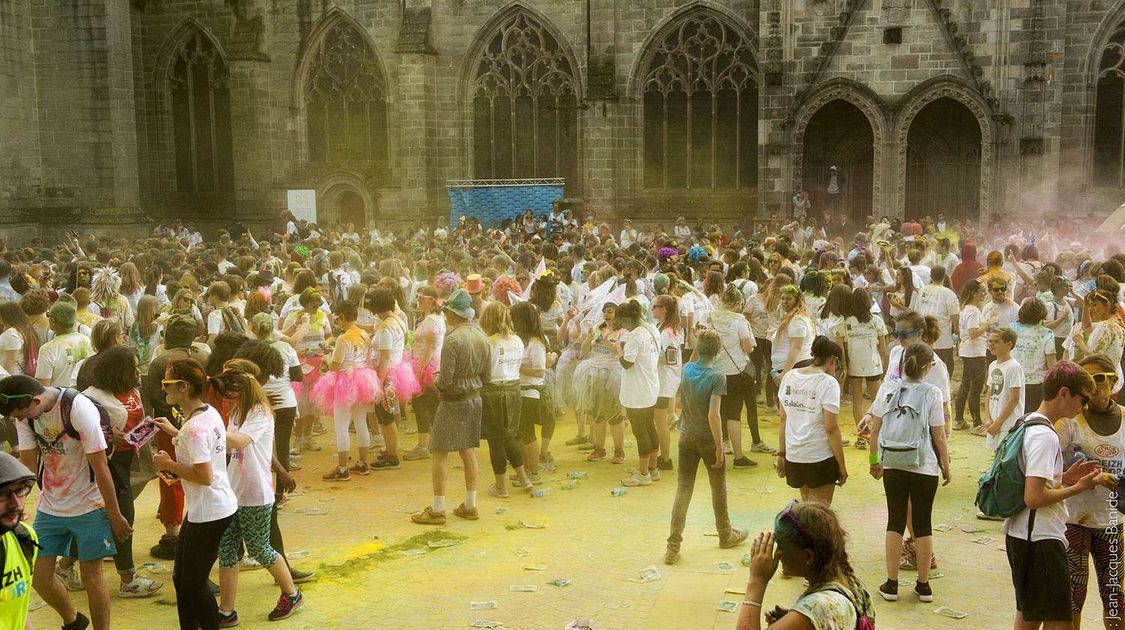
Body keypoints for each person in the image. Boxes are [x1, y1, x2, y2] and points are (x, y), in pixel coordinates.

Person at [0, 374, 132, 630]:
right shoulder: (27, 417)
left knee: (91, 576)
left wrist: (115, 514)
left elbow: (101, 465)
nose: (17, 420)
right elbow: (26, 464)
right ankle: (73, 620)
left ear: (34, 401)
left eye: (18, 413)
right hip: (51, 505)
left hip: (90, 504)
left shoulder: (79, 409)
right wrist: (19, 506)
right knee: (38, 575)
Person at [1003, 362, 1102, 630]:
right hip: (1040, 539)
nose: (1082, 407)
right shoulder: (1046, 436)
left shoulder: (1025, 422)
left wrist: (1064, 478)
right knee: (1060, 622)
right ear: (1064, 394)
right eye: (1082, 399)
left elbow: (1033, 480)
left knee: (1029, 614)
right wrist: (1077, 487)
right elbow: (1033, 497)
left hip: (1022, 534)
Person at [211, 361, 303, 625]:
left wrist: (208, 430)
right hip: (232, 491)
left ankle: (292, 593)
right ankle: (226, 610)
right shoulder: (237, 410)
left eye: (230, 387)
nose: (227, 394)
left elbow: (240, 441)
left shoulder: (261, 412)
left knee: (261, 549)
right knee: (227, 551)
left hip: (255, 494)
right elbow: (229, 448)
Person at [150, 358, 238, 630]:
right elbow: (203, 448)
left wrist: (168, 465)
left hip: (210, 512)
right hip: (209, 508)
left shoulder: (194, 428)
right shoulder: (206, 413)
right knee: (182, 578)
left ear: (184, 387)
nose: (164, 391)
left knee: (193, 583)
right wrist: (175, 433)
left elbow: (204, 475)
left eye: (167, 385)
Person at [867, 343, 951, 603]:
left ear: (902, 364)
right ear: (927, 367)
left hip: (893, 461)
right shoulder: (932, 392)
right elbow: (939, 435)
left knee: (895, 520)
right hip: (924, 465)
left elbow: (874, 430)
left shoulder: (888, 388)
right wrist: (946, 465)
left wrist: (874, 461)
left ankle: (891, 584)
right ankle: (923, 585)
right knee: (923, 523)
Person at [81, 346, 162, 598]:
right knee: (122, 516)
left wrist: (149, 429)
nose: (138, 372)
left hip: (128, 460)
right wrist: (106, 435)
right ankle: (128, 579)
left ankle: (64, 566)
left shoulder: (132, 388)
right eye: (133, 368)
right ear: (118, 370)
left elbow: (135, 422)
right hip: (107, 463)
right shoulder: (91, 397)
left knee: (99, 519)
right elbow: (80, 431)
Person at [665, 330, 747, 564]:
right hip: (707, 439)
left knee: (683, 490)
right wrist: (720, 446)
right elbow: (714, 415)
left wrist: (697, 341)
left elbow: (693, 359)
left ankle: (673, 545)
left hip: (686, 435)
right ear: (719, 352)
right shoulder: (717, 376)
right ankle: (725, 534)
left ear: (697, 350)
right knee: (718, 489)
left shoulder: (687, 370)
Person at [1056, 354, 1125, 630]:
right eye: (1085, 381)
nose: (1093, 387)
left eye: (1099, 379)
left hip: (1111, 522)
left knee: (1115, 597)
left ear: (1114, 382)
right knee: (1073, 597)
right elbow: (1053, 468)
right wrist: (1091, 475)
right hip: (1074, 520)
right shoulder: (1069, 422)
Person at [412, 289, 489, 525]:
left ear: (453, 315)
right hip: (474, 398)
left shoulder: (453, 340)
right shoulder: (482, 337)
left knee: (439, 452)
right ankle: (471, 504)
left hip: (453, 401)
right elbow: (488, 376)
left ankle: (437, 509)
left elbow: (444, 382)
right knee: (468, 451)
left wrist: (434, 379)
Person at [737, 501, 875, 630]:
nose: (777, 554)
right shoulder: (853, 584)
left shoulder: (820, 607)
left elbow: (821, 612)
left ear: (808, 556)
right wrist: (795, 617)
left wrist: (757, 581)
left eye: (782, 546)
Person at [776, 337, 848, 505]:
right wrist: (842, 465)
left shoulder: (790, 376)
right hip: (819, 456)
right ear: (833, 361)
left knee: (806, 511)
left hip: (795, 455)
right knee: (820, 515)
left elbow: (783, 419)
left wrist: (782, 453)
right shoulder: (828, 383)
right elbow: (831, 428)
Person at [704, 285, 764, 468]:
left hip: (713, 369)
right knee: (733, 415)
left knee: (714, 413)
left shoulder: (709, 316)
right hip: (734, 372)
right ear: (737, 302)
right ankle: (738, 456)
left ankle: (717, 451)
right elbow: (748, 347)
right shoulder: (739, 320)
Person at [478, 302, 531, 497]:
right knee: (510, 436)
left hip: (492, 391)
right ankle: (524, 478)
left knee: (495, 441)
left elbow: (483, 371)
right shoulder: (517, 340)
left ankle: (501, 486)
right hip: (513, 389)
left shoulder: (488, 342)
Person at [614, 300, 661, 487]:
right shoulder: (652, 329)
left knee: (640, 431)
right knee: (650, 426)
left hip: (637, 391)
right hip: (650, 386)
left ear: (627, 319)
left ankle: (643, 474)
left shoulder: (635, 336)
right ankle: (652, 468)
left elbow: (627, 363)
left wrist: (619, 349)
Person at [832, 287, 886, 446]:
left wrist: (844, 366)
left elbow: (842, 348)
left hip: (855, 365)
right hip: (873, 364)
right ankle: (877, 434)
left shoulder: (845, 322)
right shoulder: (877, 321)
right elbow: (883, 349)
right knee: (876, 400)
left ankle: (862, 435)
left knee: (857, 400)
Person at [511, 302, 555, 481]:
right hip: (520, 391)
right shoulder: (523, 340)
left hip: (531, 392)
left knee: (527, 433)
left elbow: (539, 371)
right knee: (521, 433)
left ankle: (534, 472)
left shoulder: (536, 343)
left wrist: (517, 367)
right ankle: (526, 469)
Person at [0, 452, 39, 629]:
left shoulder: (25, 538)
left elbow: (19, 612)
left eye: (20, 490)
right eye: (2, 494)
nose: (15, 503)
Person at [406, 286, 445, 461]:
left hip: (426, 365)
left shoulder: (431, 320)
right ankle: (431, 442)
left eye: (421, 298)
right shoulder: (433, 318)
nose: (419, 301)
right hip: (427, 364)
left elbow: (430, 346)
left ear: (430, 300)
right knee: (430, 404)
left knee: (421, 404)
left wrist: (421, 370)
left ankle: (423, 445)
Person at [974, 327, 1026, 448]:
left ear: (1008, 344)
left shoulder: (1014, 367)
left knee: (1005, 457)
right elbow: (989, 392)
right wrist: (987, 418)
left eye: (996, 342)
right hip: (993, 420)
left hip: (1008, 423)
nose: (991, 344)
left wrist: (998, 423)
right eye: (990, 341)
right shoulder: (993, 365)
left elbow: (1014, 399)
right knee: (994, 454)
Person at [652, 294, 683, 471]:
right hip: (664, 379)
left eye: (655, 306)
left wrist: (650, 358)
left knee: (660, 421)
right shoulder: (667, 328)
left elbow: (670, 358)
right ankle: (661, 455)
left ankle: (664, 458)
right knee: (659, 421)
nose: (652, 310)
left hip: (664, 380)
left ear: (663, 309)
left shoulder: (667, 332)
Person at [1010, 298, 1057, 412]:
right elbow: (1051, 361)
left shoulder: (1011, 328)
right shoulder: (1047, 333)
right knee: (1032, 417)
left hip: (1013, 379)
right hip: (1036, 382)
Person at [954, 280, 990, 431]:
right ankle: (977, 422)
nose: (984, 293)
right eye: (981, 291)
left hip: (969, 351)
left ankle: (959, 418)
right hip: (975, 352)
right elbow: (973, 332)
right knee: (975, 386)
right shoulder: (973, 311)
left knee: (966, 384)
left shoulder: (966, 308)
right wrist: (988, 324)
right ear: (973, 293)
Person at [35, 301, 93, 388]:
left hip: (59, 397)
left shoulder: (48, 349)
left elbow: (43, 385)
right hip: (82, 396)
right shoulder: (87, 341)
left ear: (53, 321)